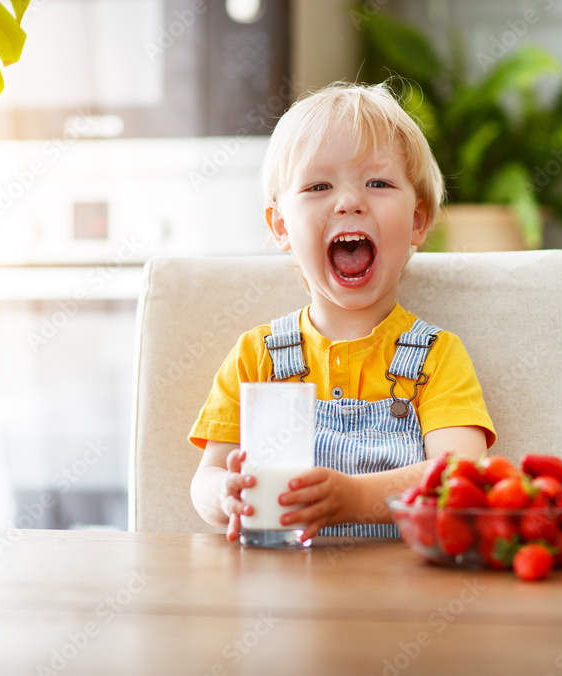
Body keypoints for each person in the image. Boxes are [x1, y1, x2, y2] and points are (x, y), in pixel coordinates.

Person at [189, 82, 496, 543]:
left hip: (402, 601)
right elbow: (206, 478)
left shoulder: (437, 357)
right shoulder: (258, 357)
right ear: (281, 226)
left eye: (378, 183)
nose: (349, 201)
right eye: (318, 186)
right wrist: (224, 495)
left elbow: (459, 478)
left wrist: (354, 498)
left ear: (417, 220)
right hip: (286, 598)